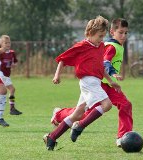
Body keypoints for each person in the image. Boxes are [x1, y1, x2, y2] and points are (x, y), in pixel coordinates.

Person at [50, 18, 133, 147]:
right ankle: (80, 127)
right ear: (89, 33)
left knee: (79, 113)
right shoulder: (100, 46)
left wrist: (112, 81)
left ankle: (52, 136)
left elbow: (101, 66)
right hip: (92, 82)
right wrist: (57, 75)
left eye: (126, 33)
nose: (102, 39)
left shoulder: (100, 46)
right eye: (100, 36)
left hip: (99, 81)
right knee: (107, 105)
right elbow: (63, 59)